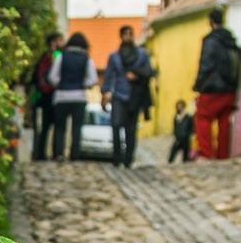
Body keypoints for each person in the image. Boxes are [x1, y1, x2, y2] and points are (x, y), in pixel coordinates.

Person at [102, 25, 154, 167]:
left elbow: (149, 71)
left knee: (131, 129)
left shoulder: (142, 54)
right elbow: (108, 75)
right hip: (119, 95)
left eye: (131, 34)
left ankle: (128, 158)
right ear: (121, 36)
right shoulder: (114, 57)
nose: (128, 37)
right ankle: (116, 157)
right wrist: (106, 91)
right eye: (126, 34)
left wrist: (136, 74)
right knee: (116, 125)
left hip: (135, 95)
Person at [193, 7, 241, 159]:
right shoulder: (231, 40)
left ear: (211, 21)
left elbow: (206, 64)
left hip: (212, 88)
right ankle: (223, 155)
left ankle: (207, 153)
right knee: (224, 122)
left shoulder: (211, 41)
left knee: (202, 118)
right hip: (230, 88)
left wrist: (198, 84)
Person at [46, 32, 97, 161]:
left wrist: (61, 83)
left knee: (60, 127)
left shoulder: (62, 57)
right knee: (76, 128)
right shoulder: (86, 59)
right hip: (79, 97)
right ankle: (75, 155)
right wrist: (82, 84)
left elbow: (52, 77)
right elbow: (93, 79)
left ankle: (59, 153)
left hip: (62, 97)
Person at [27, 33, 62, 160]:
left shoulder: (43, 56)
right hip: (50, 94)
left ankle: (41, 153)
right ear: (54, 42)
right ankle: (53, 153)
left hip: (42, 95)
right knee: (53, 126)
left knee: (45, 127)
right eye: (59, 40)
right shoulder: (56, 56)